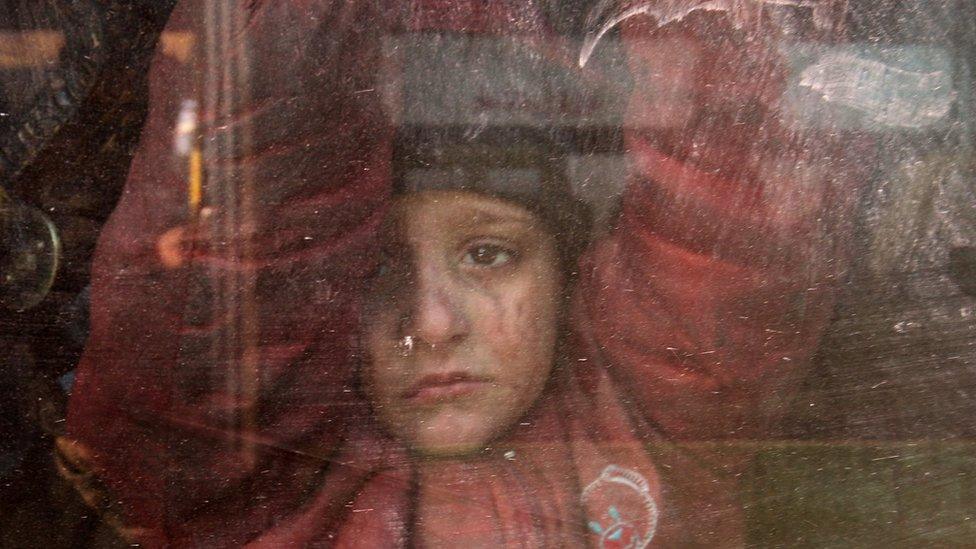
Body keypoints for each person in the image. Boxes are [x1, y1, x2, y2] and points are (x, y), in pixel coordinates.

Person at [62, 1, 863, 546]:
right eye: (377, 271)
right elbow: (220, 263)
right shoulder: (256, 481)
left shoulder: (645, 424)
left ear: (571, 269)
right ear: (312, 295)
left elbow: (729, 209)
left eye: (489, 253)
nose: (434, 322)